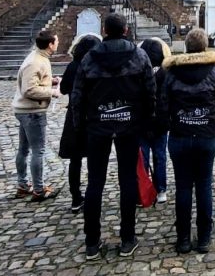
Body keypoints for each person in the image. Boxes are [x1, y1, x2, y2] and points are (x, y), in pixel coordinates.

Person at [71, 13, 156, 260]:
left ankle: (92, 242)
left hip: (97, 127)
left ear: (105, 31)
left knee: (95, 183)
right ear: (126, 30)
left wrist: (80, 127)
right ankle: (127, 238)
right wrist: (147, 121)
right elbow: (150, 92)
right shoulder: (140, 56)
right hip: (129, 126)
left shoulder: (89, 59)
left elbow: (77, 96)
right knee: (128, 180)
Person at [158, 29, 215, 254]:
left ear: (186, 47)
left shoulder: (172, 73)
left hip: (180, 135)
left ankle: (183, 239)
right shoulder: (214, 72)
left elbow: (164, 106)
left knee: (183, 187)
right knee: (204, 186)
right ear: (205, 46)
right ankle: (204, 237)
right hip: (206, 136)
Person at [12, 30, 61, 202]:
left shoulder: (38, 58)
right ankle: (39, 189)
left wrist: (50, 81)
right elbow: (29, 89)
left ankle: (23, 185)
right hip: (32, 112)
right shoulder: (36, 62)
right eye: (56, 41)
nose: (58, 43)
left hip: (26, 111)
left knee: (24, 149)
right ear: (50, 44)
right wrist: (52, 92)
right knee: (37, 151)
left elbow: (34, 82)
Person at [59, 33, 102, 214]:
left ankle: (76, 197)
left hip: (75, 116)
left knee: (75, 161)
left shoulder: (73, 66)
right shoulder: (98, 66)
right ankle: (93, 196)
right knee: (95, 160)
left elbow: (63, 89)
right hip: (93, 117)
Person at [138, 37, 172, 204]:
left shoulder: (139, 73)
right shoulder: (166, 74)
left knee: (143, 157)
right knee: (160, 156)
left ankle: (144, 189)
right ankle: (161, 189)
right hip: (160, 121)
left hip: (143, 121)